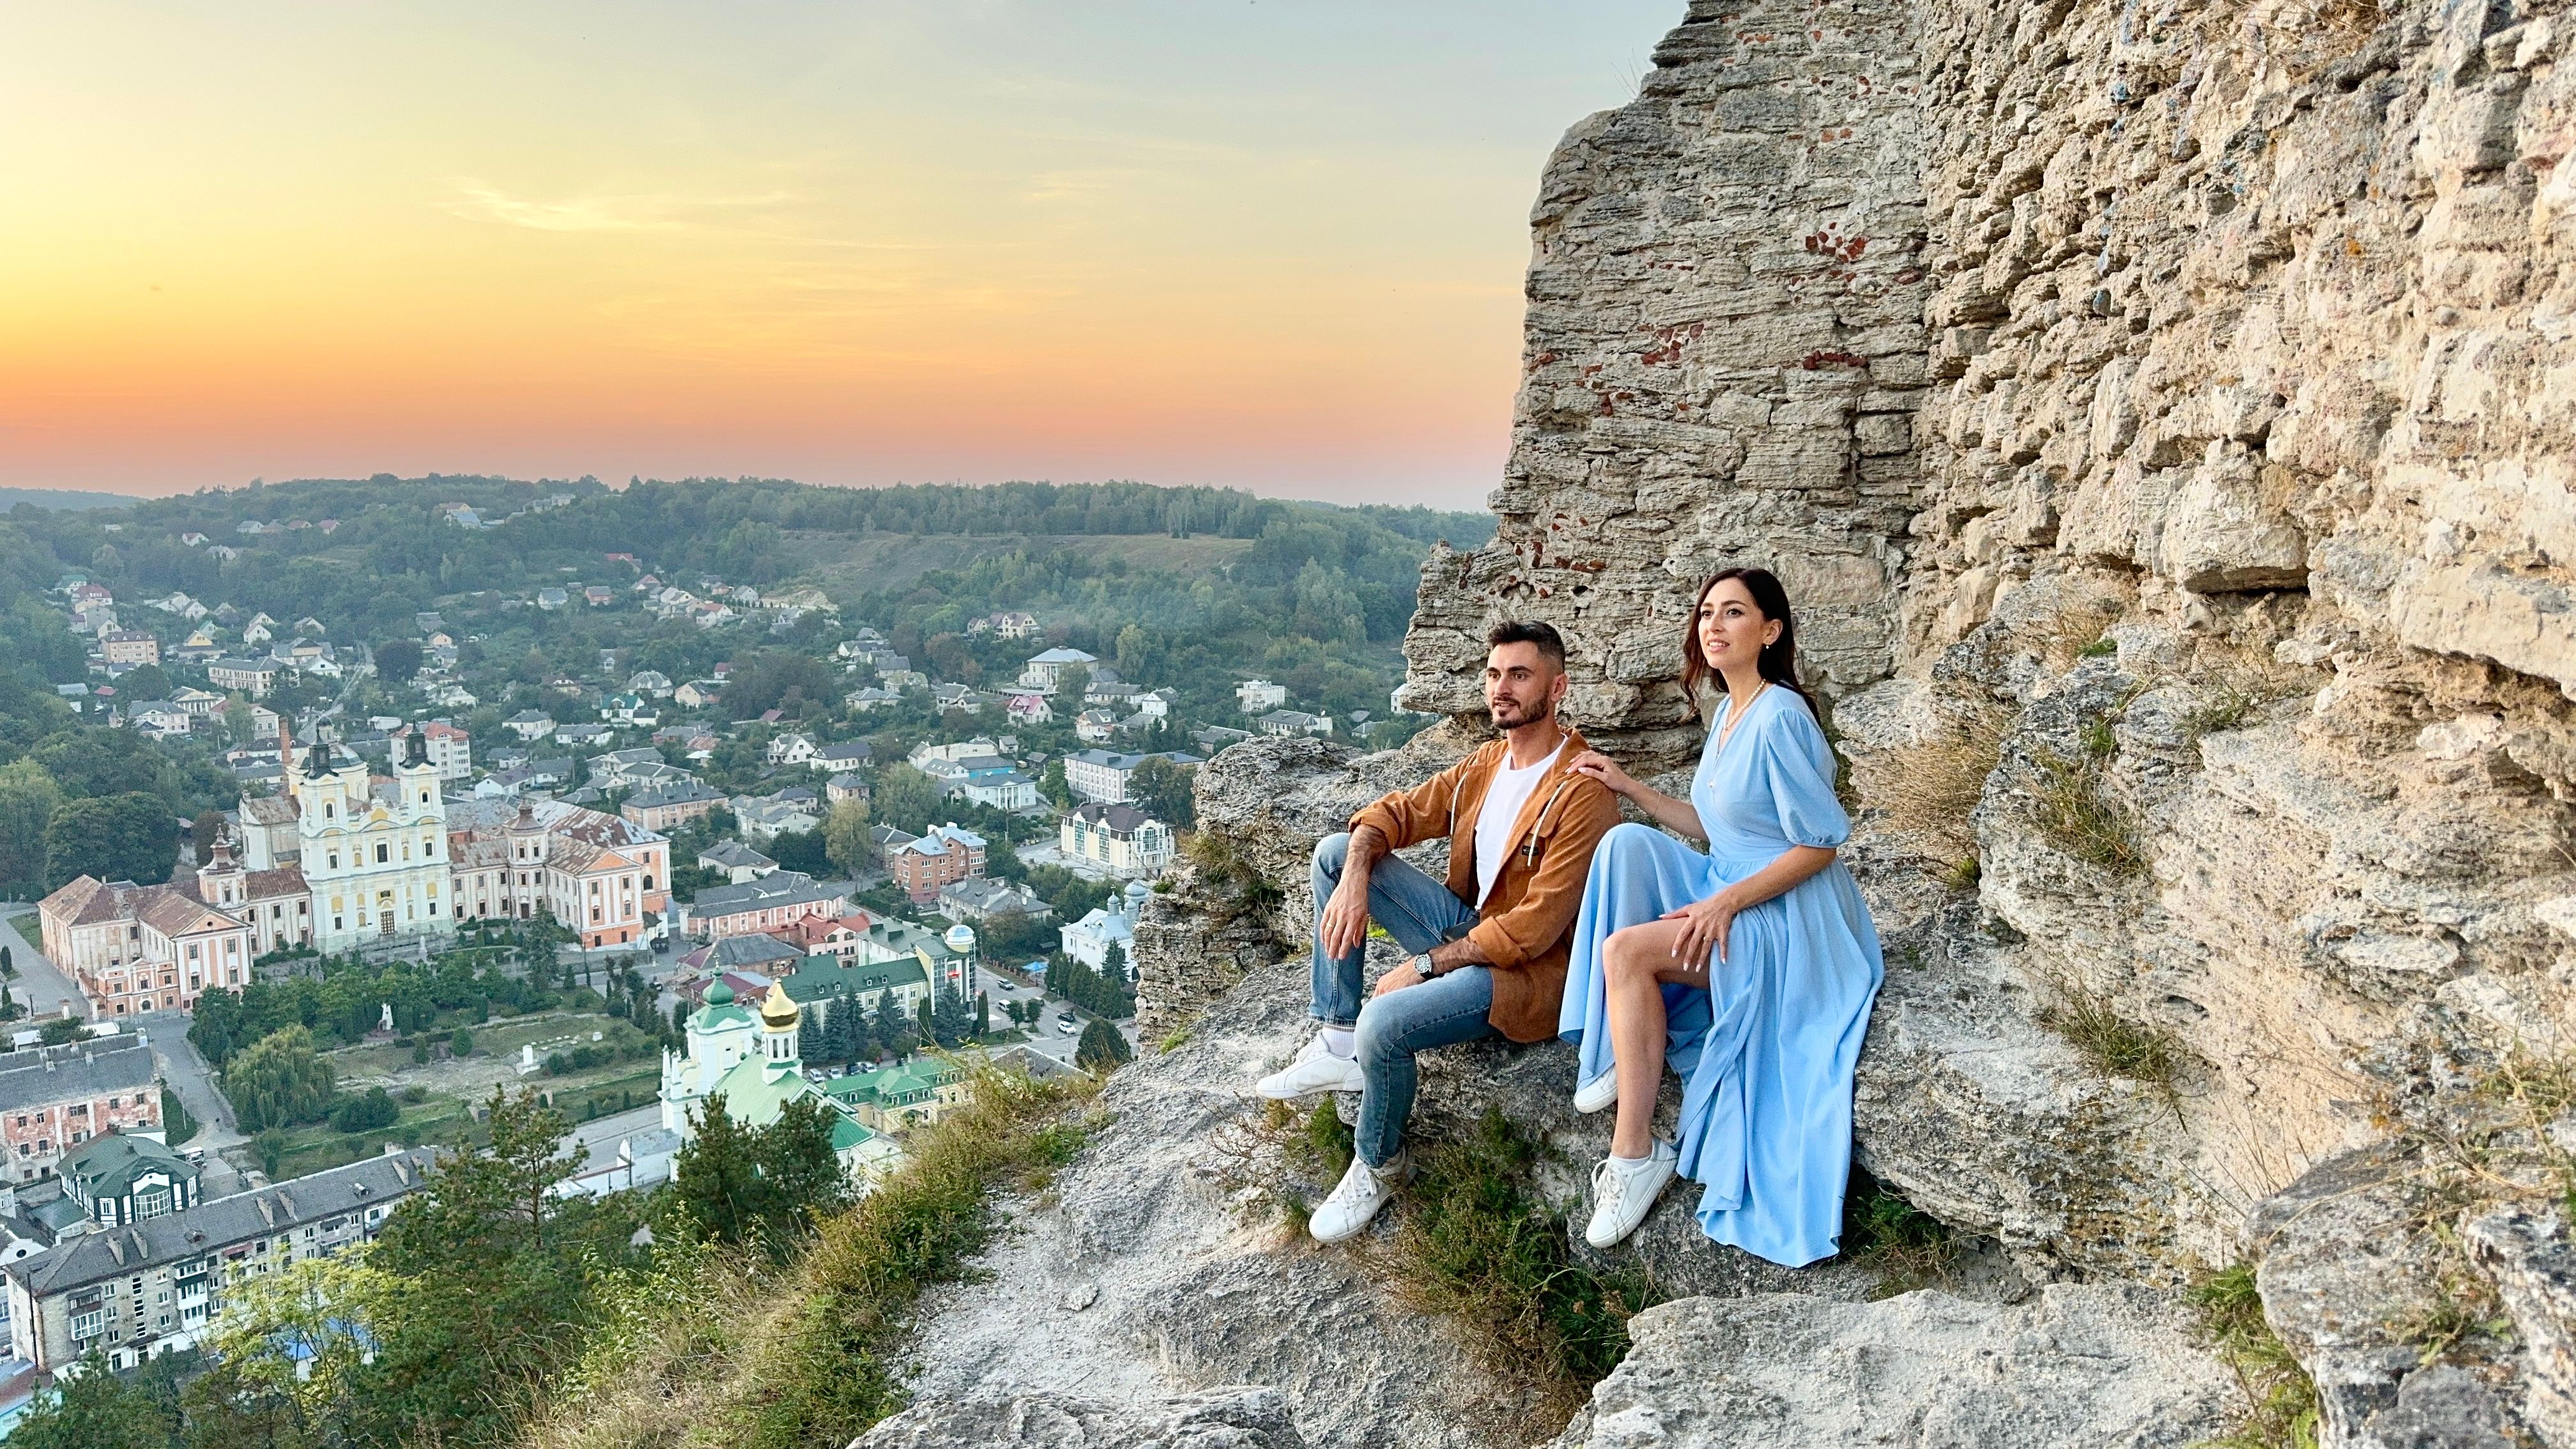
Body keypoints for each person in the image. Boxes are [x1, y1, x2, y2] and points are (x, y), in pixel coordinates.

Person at [1256, 620, 1623, 1243]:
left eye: (1520, 675)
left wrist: (1426, 966)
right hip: (1472, 929)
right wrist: (1355, 877)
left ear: (1557, 687)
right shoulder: (1488, 763)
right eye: (1494, 674)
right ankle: (1338, 1043)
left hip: (1529, 972)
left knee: (1385, 1023)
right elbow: (1396, 813)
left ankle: (1380, 1164)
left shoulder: (1582, 792)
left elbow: (1535, 929)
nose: (1501, 689)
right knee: (1336, 854)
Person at [1558, 567, 1882, 1266]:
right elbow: (1718, 828)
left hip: (1790, 915)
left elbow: (1819, 845)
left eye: (1733, 612)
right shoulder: (1730, 712)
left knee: (1626, 951)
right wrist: (1629, 787)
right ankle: (1614, 1044)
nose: (1714, 625)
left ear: (1770, 631)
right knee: (1626, 843)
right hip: (1731, 878)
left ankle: (1635, 1153)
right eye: (1706, 612)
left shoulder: (1782, 716)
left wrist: (1726, 902)